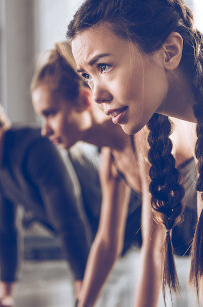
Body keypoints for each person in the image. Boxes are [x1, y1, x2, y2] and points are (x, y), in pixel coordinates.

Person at [67, 0, 203, 305]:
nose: (97, 95)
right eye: (88, 76)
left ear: (169, 51)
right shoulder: (188, 131)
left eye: (104, 66)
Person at [31, 41, 165, 307]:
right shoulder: (110, 158)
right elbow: (106, 243)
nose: (45, 131)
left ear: (83, 100)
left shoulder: (143, 138)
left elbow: (155, 248)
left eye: (50, 114)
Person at [0, 86, 96, 307]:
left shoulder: (35, 149)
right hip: (101, 241)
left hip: (131, 223)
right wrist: (4, 298)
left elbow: (71, 225)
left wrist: (84, 302)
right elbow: (7, 231)